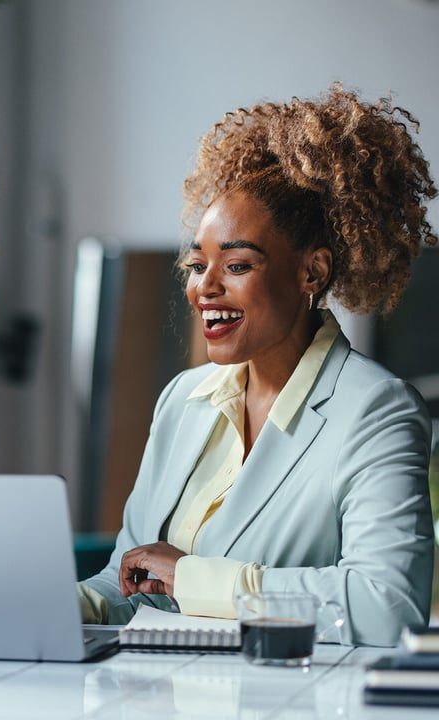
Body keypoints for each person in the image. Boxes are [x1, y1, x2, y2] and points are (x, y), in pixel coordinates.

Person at [79, 83, 437, 647]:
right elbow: (129, 583)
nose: (205, 287)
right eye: (199, 264)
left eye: (238, 264)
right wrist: (47, 602)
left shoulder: (375, 410)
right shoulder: (183, 399)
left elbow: (386, 606)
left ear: (312, 273)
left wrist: (195, 579)